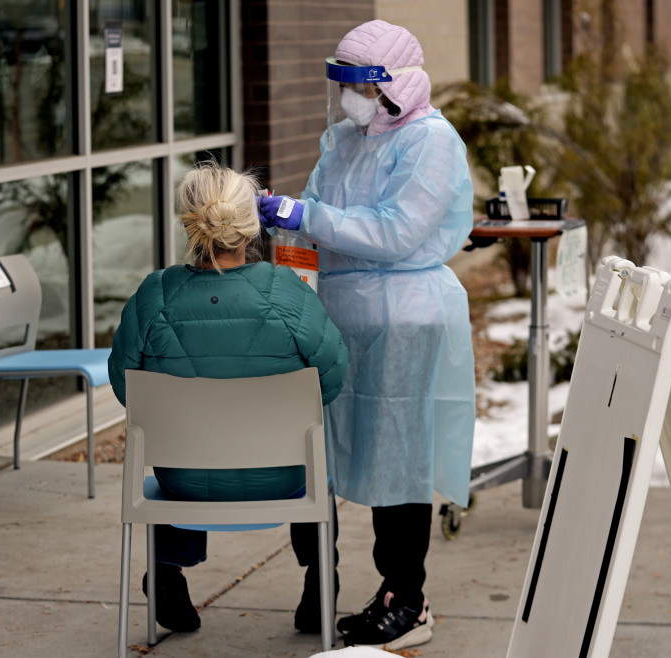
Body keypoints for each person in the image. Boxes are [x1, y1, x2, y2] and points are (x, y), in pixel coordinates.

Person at [257, 19, 476, 651]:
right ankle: (336, 583)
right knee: (322, 452)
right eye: (341, 82)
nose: (348, 95)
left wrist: (309, 216)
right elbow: (319, 224)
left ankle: (407, 598)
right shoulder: (347, 140)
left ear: (394, 86)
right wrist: (289, 238)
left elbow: (394, 233)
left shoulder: (431, 141)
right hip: (341, 314)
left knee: (396, 461)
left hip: (405, 317)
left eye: (359, 83)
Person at [108, 162, 348, 635]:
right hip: (283, 477)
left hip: (185, 480)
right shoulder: (286, 292)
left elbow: (125, 386)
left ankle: (166, 572)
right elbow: (332, 377)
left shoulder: (154, 297)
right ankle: (321, 578)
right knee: (316, 457)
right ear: (250, 226)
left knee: (176, 442)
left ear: (189, 224)